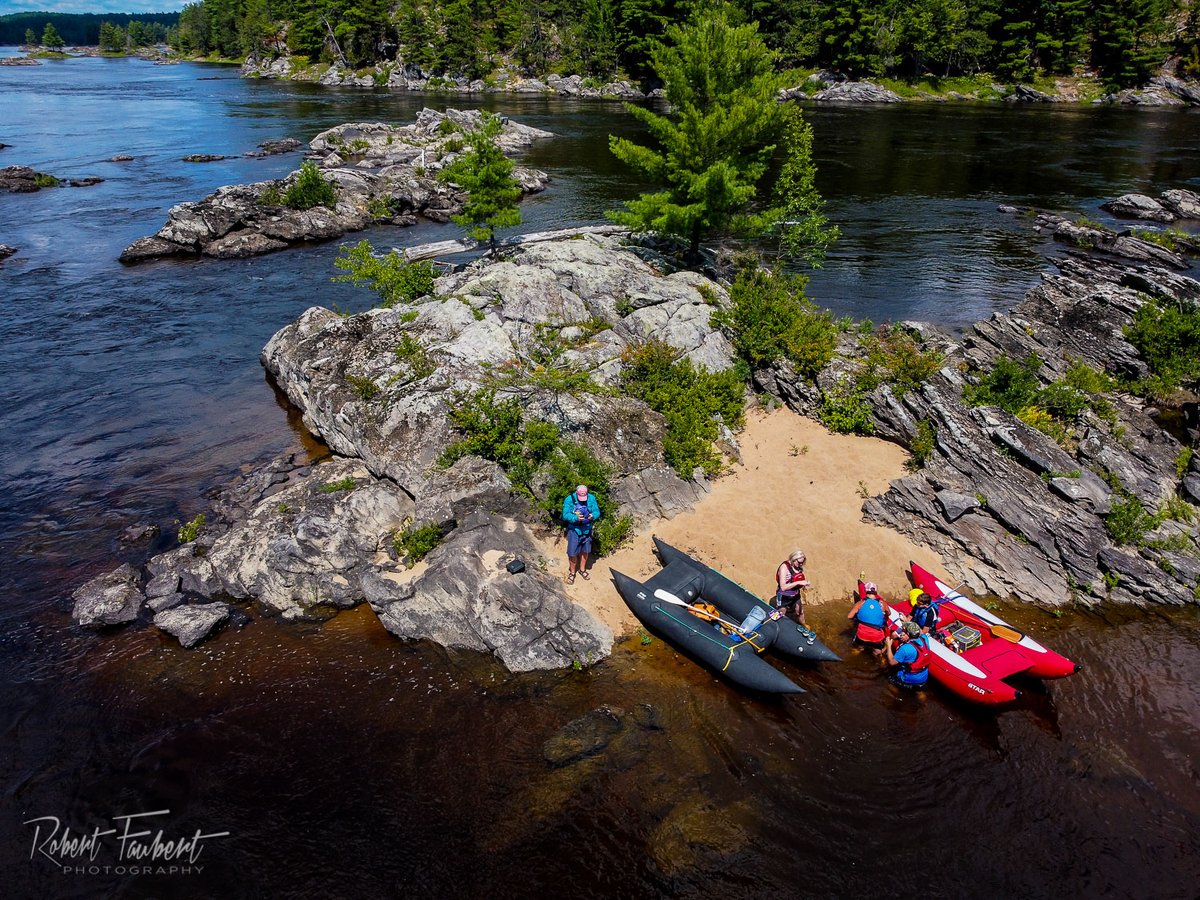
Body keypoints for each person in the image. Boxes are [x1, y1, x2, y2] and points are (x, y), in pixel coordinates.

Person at [562, 484, 600, 584]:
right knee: (572, 553)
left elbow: (597, 511)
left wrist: (593, 516)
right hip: (574, 530)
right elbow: (565, 514)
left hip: (587, 529)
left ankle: (582, 570)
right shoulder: (569, 499)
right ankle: (572, 572)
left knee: (585, 551)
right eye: (581, 498)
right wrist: (575, 518)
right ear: (577, 493)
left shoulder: (591, 498)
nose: (583, 499)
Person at [847, 581, 892, 653]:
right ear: (876, 591)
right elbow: (889, 613)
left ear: (865, 591)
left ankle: (859, 649)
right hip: (877, 637)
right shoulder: (882, 603)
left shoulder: (861, 603)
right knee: (878, 653)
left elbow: (849, 616)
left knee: (858, 649)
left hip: (862, 635)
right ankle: (881, 654)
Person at [885, 621, 932, 688]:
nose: (902, 632)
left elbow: (891, 662)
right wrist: (906, 621)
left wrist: (888, 646)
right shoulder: (925, 638)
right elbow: (920, 632)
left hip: (908, 679)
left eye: (904, 631)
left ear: (908, 634)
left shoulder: (905, 649)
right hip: (923, 678)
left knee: (890, 685)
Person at [774, 549, 812, 626]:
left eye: (803, 562)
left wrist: (803, 586)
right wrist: (798, 582)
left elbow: (798, 577)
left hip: (795, 594)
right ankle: (778, 627)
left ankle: (804, 625)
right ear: (793, 559)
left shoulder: (799, 566)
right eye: (799, 562)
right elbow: (783, 587)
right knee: (781, 614)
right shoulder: (784, 568)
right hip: (784, 596)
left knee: (800, 612)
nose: (801, 564)